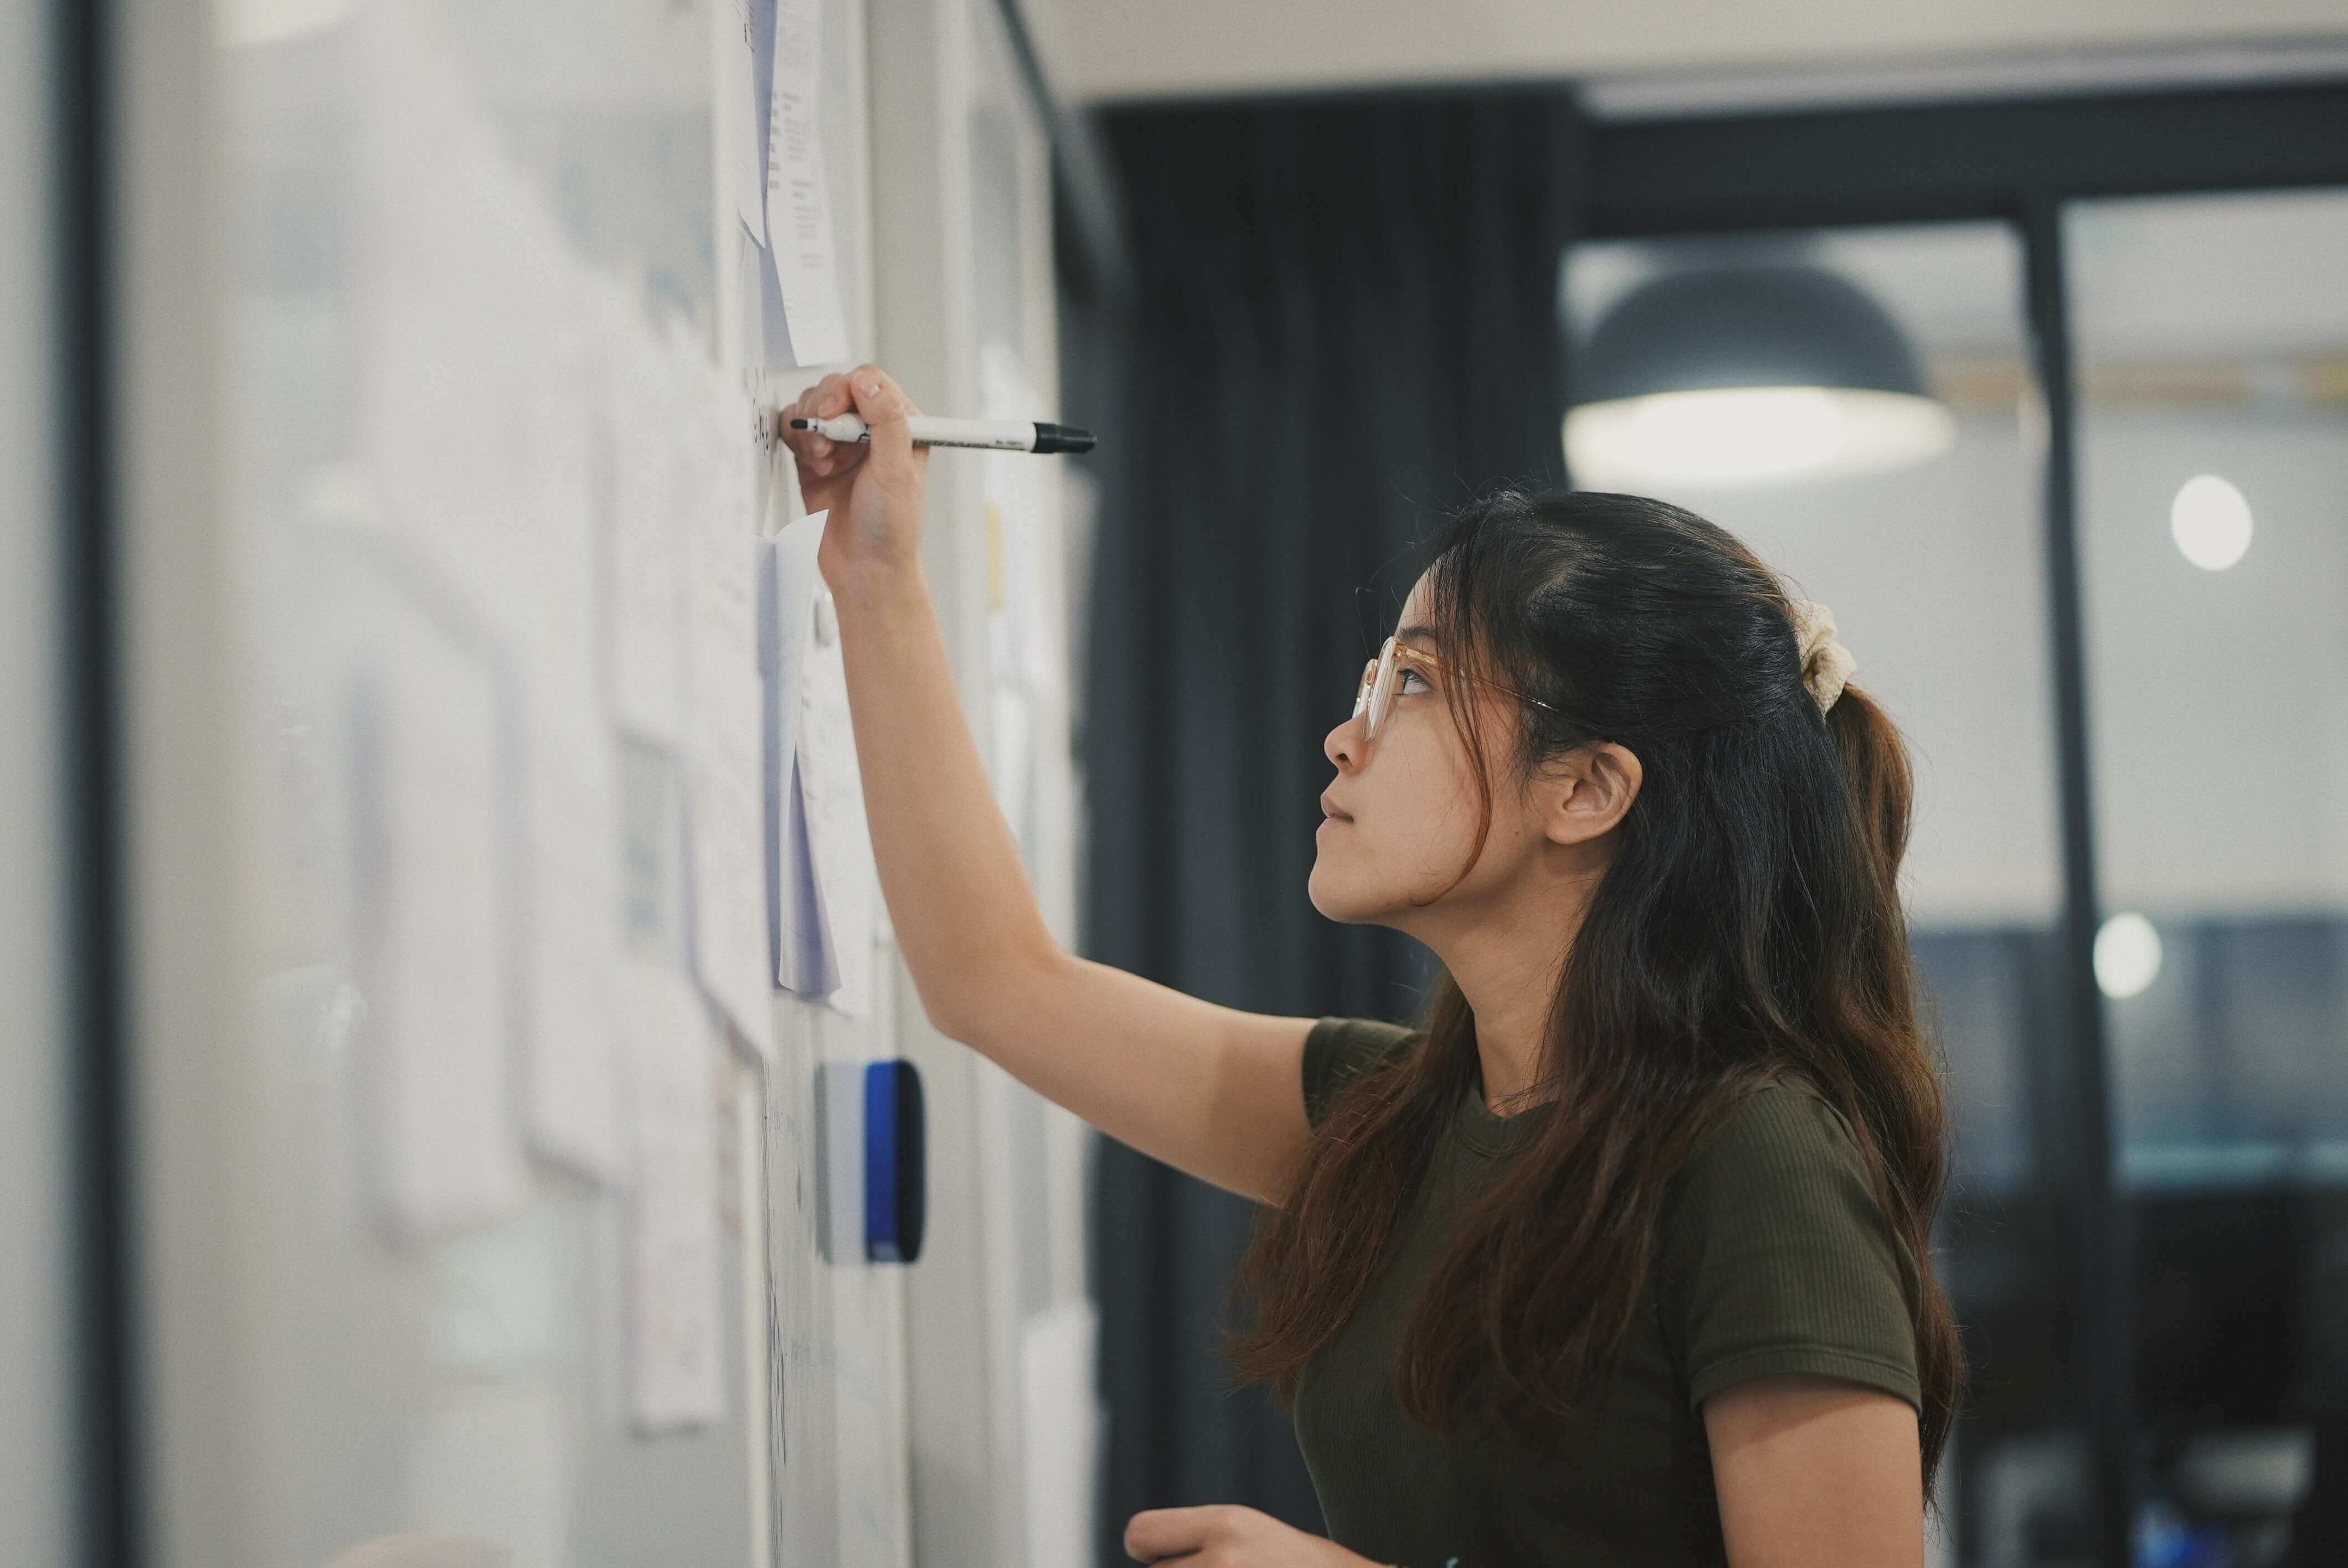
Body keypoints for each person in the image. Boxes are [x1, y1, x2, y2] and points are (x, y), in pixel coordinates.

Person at [781, 365, 1963, 1568]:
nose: (1348, 735)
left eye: (1413, 682)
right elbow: (995, 982)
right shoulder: (1391, 1118)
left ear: (1586, 788)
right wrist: (874, 583)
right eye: (1370, 682)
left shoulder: (1758, 1157)